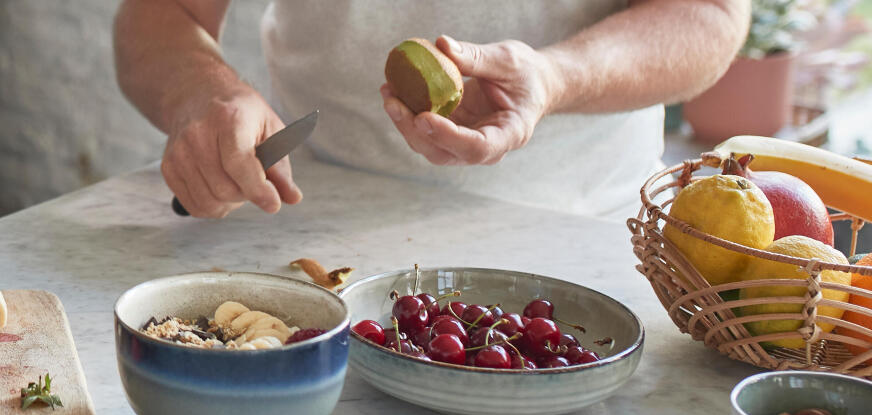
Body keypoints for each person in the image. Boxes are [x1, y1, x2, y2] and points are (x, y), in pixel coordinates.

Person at [114, 0, 749, 218]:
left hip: (573, 230)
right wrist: (204, 92)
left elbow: (708, 15)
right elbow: (160, 17)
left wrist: (555, 77)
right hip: (311, 230)